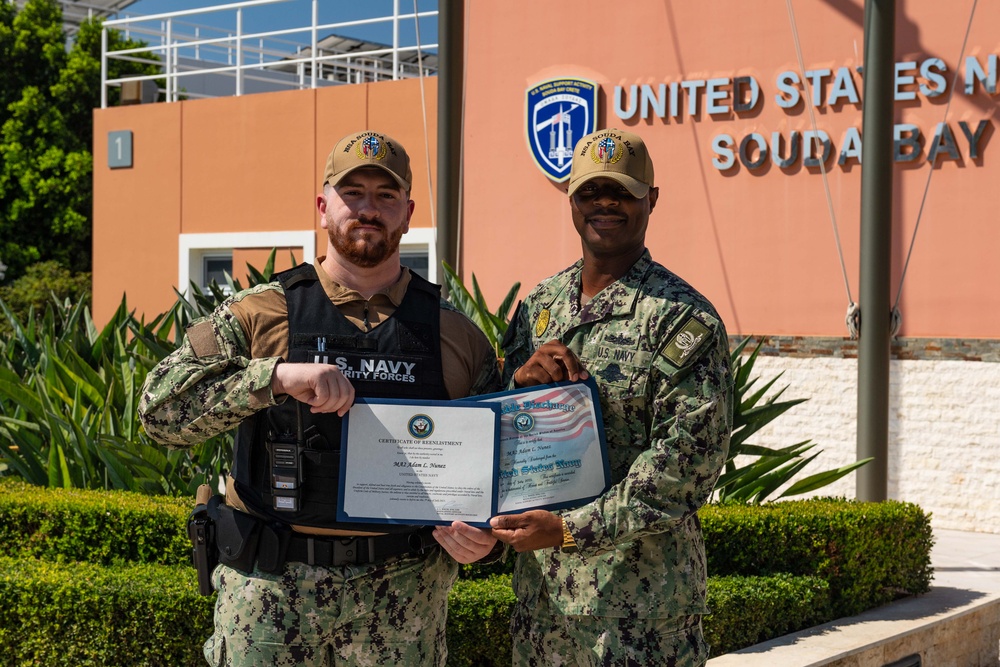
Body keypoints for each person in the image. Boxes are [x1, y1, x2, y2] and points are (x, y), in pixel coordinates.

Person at [139, 130, 500, 667]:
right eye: (353, 192)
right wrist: (274, 379)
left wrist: (485, 533)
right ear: (323, 205)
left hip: (403, 597)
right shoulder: (259, 315)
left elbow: (501, 466)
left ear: (407, 213)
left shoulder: (455, 335)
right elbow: (158, 414)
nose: (368, 209)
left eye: (386, 195)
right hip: (270, 595)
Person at [489, 128, 734, 666]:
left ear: (652, 200)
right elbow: (500, 434)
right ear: (571, 200)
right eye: (590, 191)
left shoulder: (683, 319)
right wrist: (517, 388)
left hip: (640, 616)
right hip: (544, 608)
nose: (605, 203)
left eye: (622, 191)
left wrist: (570, 530)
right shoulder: (539, 308)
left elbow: (686, 466)